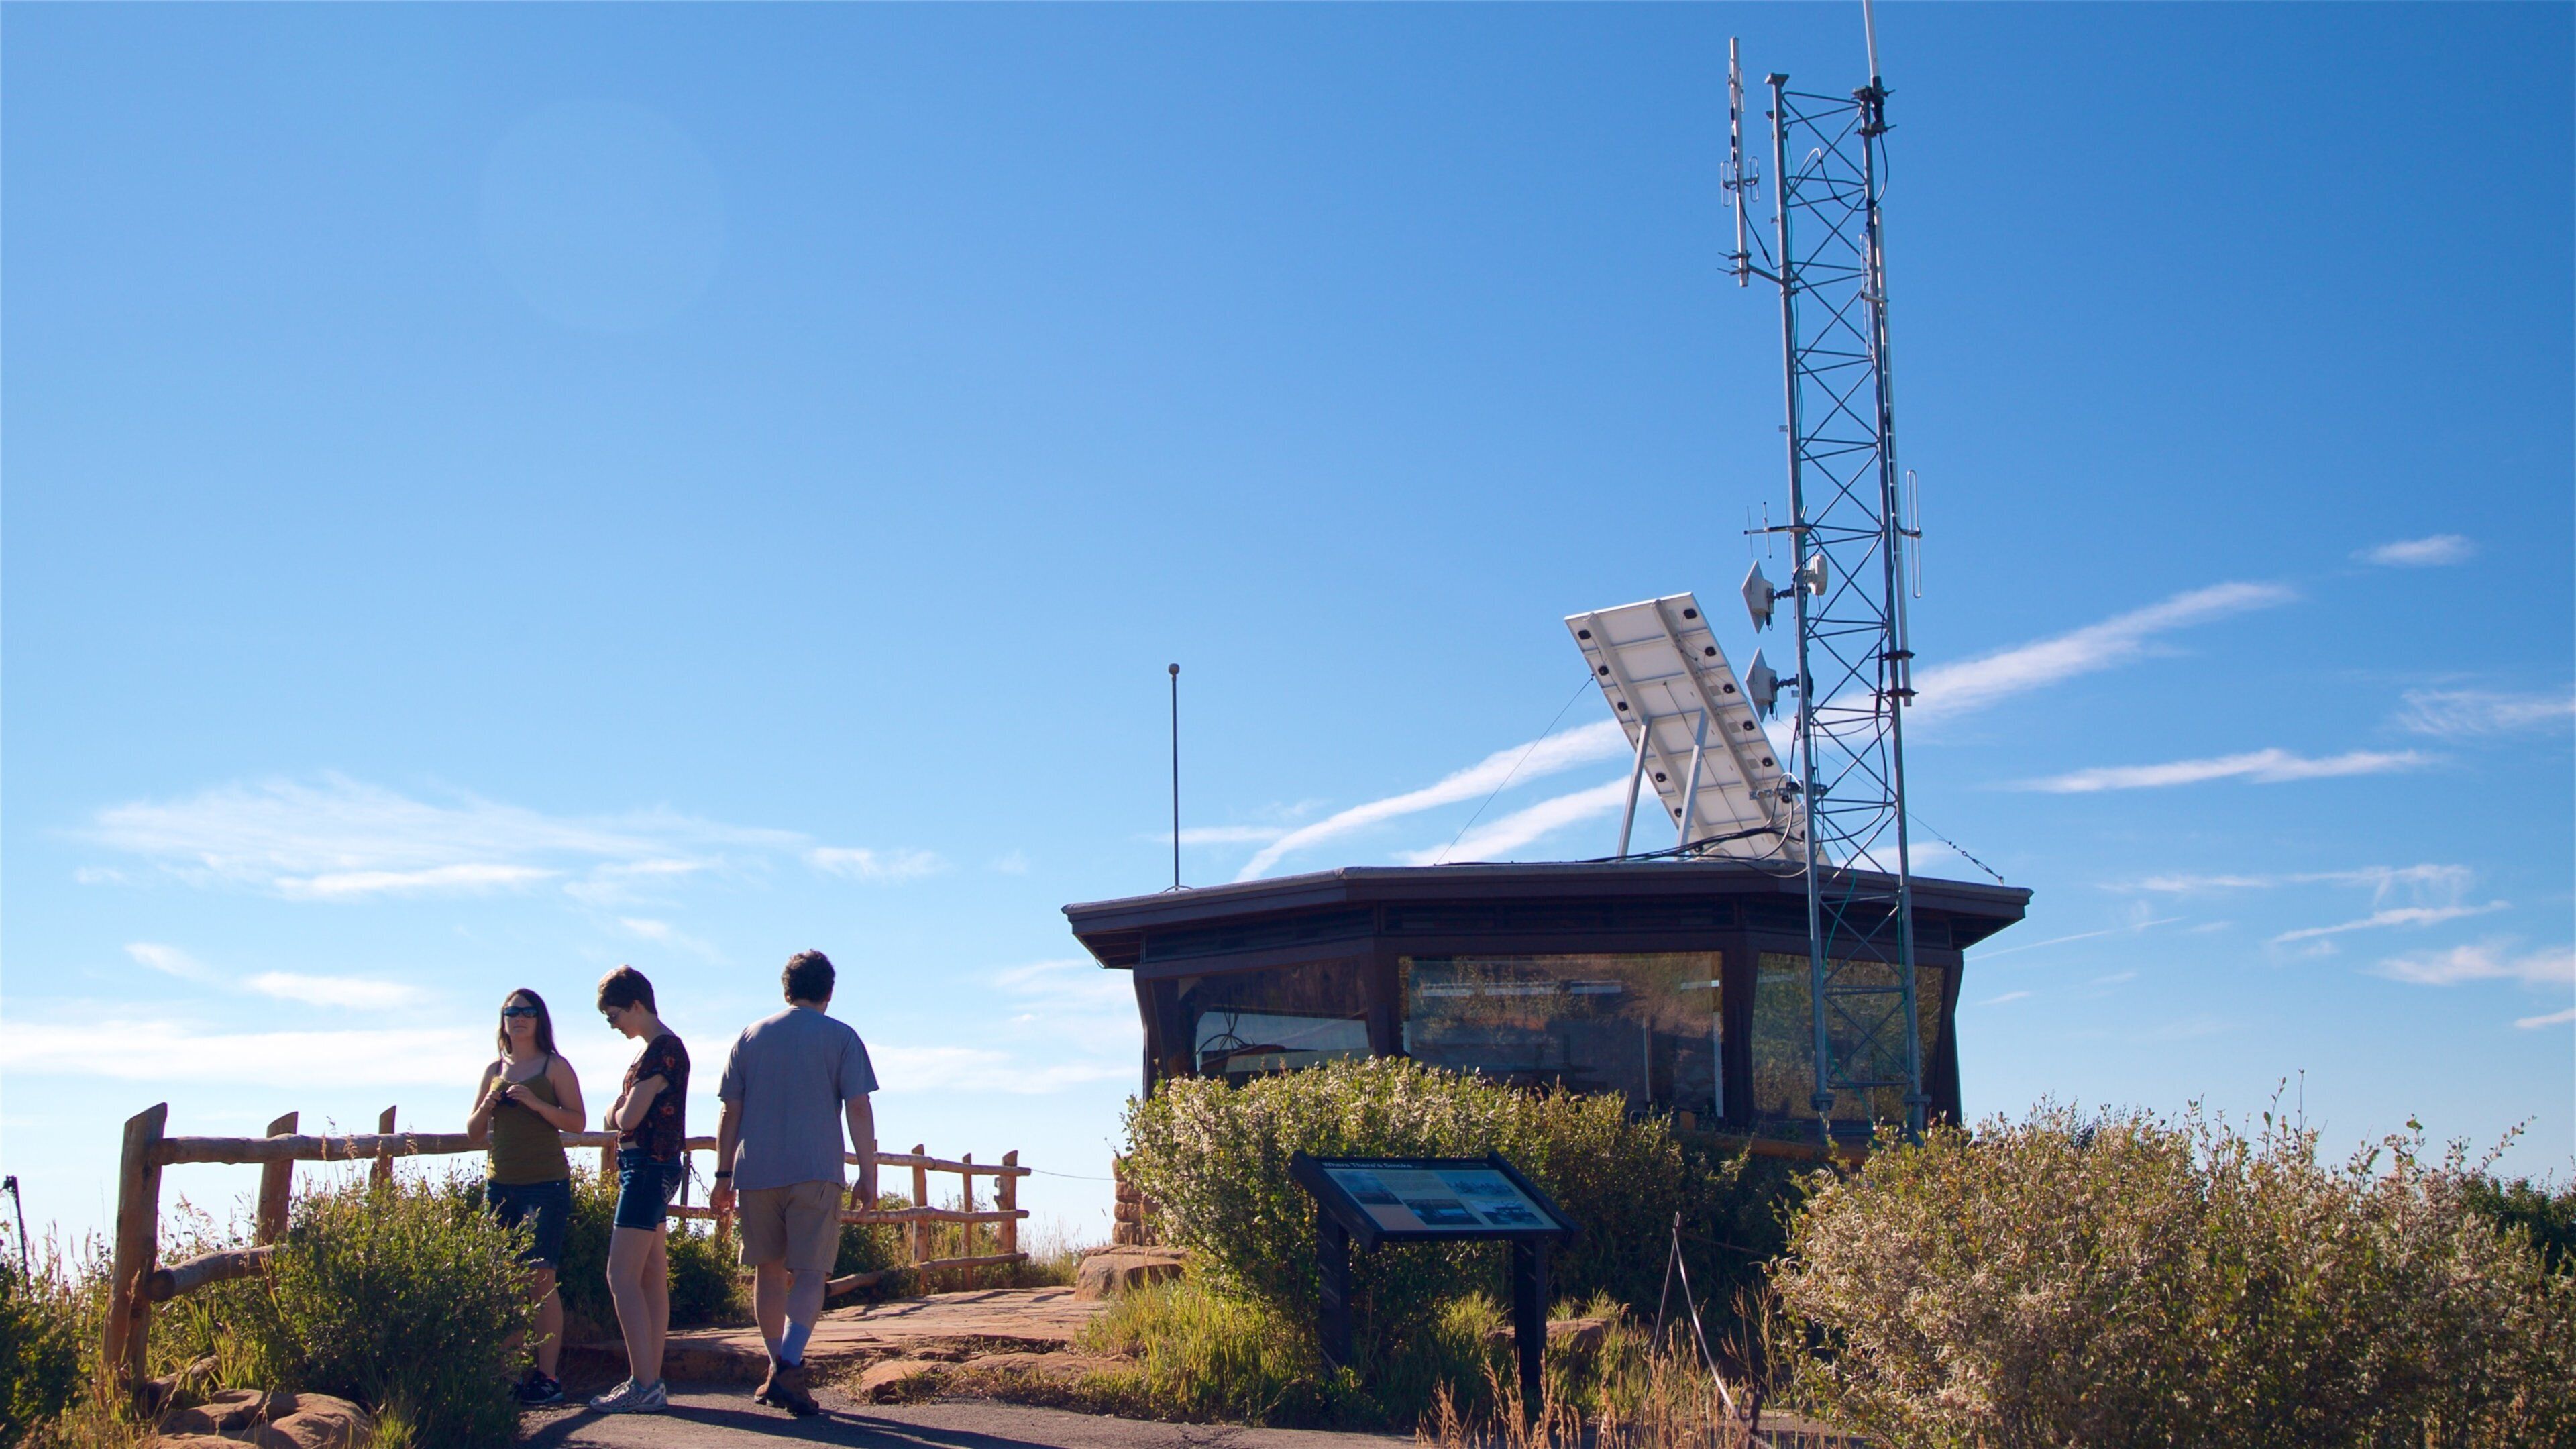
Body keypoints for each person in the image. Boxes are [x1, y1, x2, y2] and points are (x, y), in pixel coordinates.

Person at [710, 949, 879, 1417]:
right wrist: (868, 1171)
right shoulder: (841, 1037)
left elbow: (731, 1110)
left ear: (785, 989)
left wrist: (723, 1175)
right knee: (810, 1273)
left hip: (756, 1170)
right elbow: (858, 1108)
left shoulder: (750, 1036)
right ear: (830, 991)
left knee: (768, 1270)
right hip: (815, 1169)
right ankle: (789, 1367)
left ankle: (776, 1368)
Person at [464, 989, 586, 1407]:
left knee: (541, 1279)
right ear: (503, 1021)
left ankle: (547, 1377)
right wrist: (488, 1104)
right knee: (505, 1284)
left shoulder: (555, 1066)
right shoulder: (495, 1069)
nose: (518, 1019)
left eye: (526, 1012)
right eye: (511, 1013)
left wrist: (534, 1102)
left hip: (545, 1185)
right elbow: (473, 1131)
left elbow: (578, 1121)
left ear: (540, 1020)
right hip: (500, 1187)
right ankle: (507, 1374)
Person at [589, 965, 688, 1415]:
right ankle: (650, 1379)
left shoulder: (663, 1051)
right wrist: (620, 1109)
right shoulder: (651, 1053)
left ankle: (643, 1383)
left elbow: (626, 1119)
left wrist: (617, 1108)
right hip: (649, 1166)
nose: (613, 1025)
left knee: (620, 1275)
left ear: (635, 1004)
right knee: (650, 1273)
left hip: (647, 1167)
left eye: (613, 1016)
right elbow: (624, 1112)